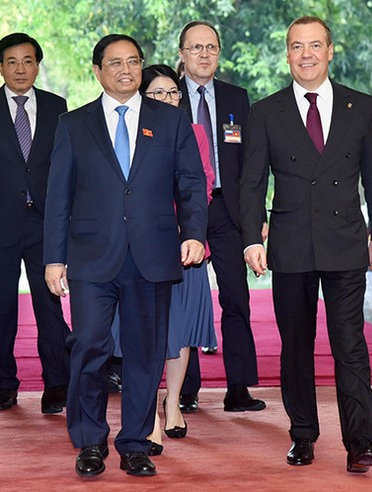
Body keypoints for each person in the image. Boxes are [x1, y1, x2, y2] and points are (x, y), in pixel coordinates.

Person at [43, 34, 207, 478]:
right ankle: (89, 442)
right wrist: (54, 259)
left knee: (144, 354)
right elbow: (58, 196)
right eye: (115, 63)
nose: (126, 70)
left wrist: (194, 233)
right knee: (90, 346)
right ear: (97, 71)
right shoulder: (73, 124)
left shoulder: (170, 120)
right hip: (91, 257)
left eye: (133, 61)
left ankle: (135, 443)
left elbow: (191, 183)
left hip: (152, 255)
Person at [239, 16, 372, 473]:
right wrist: (252, 239)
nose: (306, 54)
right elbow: (252, 183)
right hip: (290, 245)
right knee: (295, 347)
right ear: (287, 54)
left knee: (350, 344)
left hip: (345, 241)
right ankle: (302, 434)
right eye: (296, 46)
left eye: (315, 45)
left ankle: (360, 441)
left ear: (330, 51)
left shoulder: (358, 105)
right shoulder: (266, 111)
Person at [0, 33, 71, 413]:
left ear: (37, 66)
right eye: (12, 62)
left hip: (45, 222)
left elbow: (65, 164)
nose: (20, 69)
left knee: (49, 305)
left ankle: (57, 384)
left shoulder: (57, 106)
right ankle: (5, 384)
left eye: (27, 61)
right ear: (0, 67)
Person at [176, 20, 265, 413]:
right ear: (182, 54)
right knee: (185, 300)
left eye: (211, 47)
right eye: (196, 47)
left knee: (236, 298)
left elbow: (251, 164)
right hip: (182, 213)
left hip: (228, 210)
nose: (204, 54)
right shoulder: (165, 95)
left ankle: (238, 387)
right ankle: (186, 388)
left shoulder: (236, 97)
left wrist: (255, 217)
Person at [138, 64, 217, 453]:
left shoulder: (195, 132)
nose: (168, 100)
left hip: (186, 243)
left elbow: (202, 185)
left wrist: (190, 231)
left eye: (173, 93)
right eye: (158, 93)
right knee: (147, 330)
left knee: (181, 329)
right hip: (142, 244)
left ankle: (173, 404)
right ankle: (148, 413)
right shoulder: (131, 131)